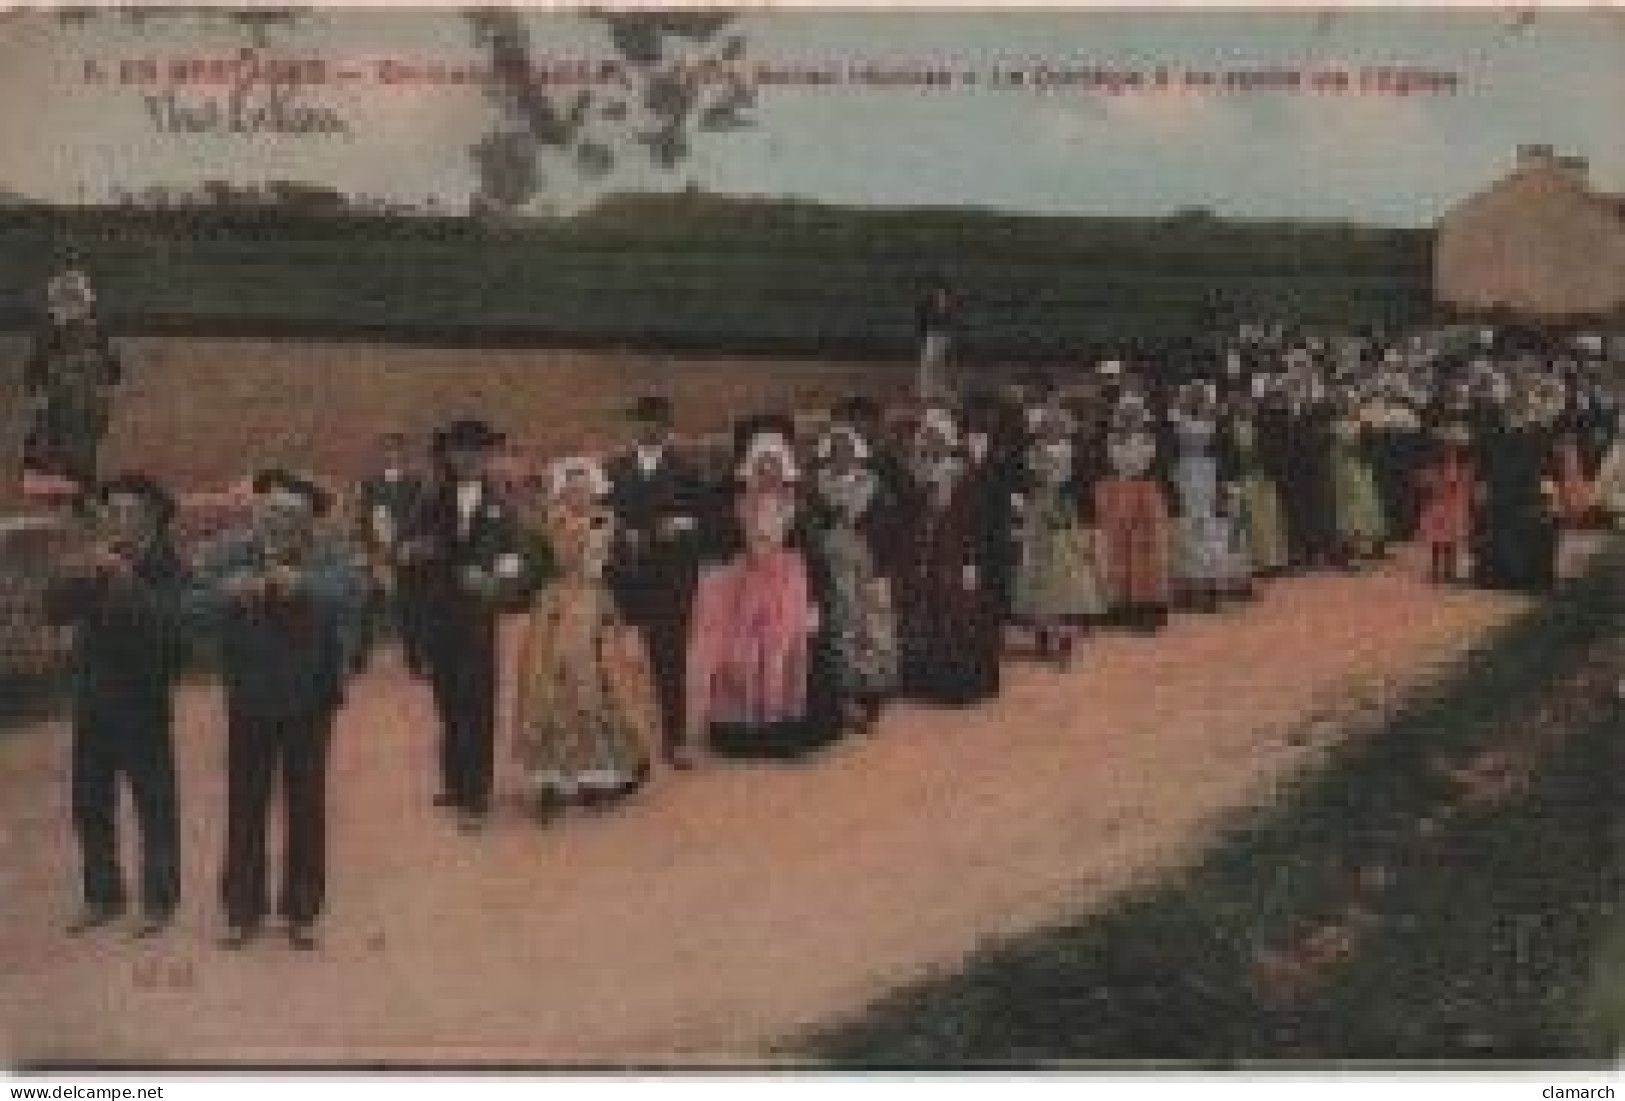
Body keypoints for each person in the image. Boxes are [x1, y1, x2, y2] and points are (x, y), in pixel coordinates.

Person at [194, 469, 366, 950]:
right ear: (257, 514)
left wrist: (304, 585)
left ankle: (301, 910)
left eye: (293, 517)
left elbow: (351, 591)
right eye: (270, 513)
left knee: (306, 804)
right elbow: (193, 603)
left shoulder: (327, 554)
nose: (280, 525)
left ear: (310, 521)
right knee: (245, 803)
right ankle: (242, 910)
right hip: (250, 696)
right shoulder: (231, 553)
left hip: (310, 700)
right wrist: (227, 593)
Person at [43, 474, 190, 938]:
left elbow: (172, 633)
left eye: (128, 512)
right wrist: (68, 573)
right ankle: (103, 896)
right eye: (114, 512)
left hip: (142, 700)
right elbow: (57, 611)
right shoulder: (100, 559)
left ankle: (159, 902)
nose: (119, 520)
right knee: (90, 801)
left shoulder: (169, 565)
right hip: (93, 698)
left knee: (154, 803)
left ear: (151, 516)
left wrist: (126, 581)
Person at [684, 420, 837, 760]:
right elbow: (717, 544)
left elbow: (814, 554)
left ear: (784, 469)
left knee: (784, 658)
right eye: (762, 467)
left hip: (789, 589)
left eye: (775, 467)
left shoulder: (798, 506)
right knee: (745, 658)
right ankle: (744, 736)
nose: (768, 474)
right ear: (752, 469)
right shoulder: (737, 506)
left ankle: (784, 735)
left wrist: (815, 601)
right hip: (746, 590)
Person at [403, 418, 529, 831]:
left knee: (476, 702)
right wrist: (415, 551)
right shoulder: (431, 499)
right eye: (460, 452)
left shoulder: (503, 504)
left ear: (487, 457)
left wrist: (494, 582)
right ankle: (455, 782)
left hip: (478, 617)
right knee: (448, 701)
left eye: (476, 452)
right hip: (439, 615)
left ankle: (477, 796)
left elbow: (516, 557)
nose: (468, 460)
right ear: (449, 456)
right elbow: (409, 545)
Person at [514, 457, 655, 821]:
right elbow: (534, 566)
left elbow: (626, 567)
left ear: (595, 489)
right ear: (563, 491)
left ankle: (599, 774)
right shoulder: (550, 522)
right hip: (554, 610)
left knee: (600, 687)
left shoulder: (608, 523)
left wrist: (622, 604)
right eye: (572, 487)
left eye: (585, 486)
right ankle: (554, 781)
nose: (579, 492)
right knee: (548, 688)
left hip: (595, 606)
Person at [605, 395, 703, 769]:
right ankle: (626, 741)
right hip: (627, 579)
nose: (650, 429)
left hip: (671, 580)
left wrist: (678, 527)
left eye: (658, 422)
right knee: (623, 662)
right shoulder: (614, 471)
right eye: (643, 422)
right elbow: (598, 519)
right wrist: (621, 537)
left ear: (667, 428)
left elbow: (703, 521)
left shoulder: (685, 470)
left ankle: (675, 739)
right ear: (633, 428)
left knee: (670, 659)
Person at [892, 407, 1002, 705]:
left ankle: (955, 684)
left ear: (949, 440)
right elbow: (903, 515)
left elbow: (977, 521)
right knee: (915, 612)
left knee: (955, 614)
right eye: (927, 437)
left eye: (937, 438)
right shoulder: (910, 471)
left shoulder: (964, 473)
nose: (931, 443)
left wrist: (972, 561)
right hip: (915, 553)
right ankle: (917, 682)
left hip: (953, 553)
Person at [809, 423, 900, 734]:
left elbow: (888, 527)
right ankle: (843, 698)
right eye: (835, 451)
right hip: (830, 570)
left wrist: (869, 542)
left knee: (871, 631)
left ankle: (870, 696)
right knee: (837, 630)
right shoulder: (815, 485)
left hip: (866, 568)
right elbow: (808, 526)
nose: (841, 456)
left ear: (857, 453)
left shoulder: (874, 486)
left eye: (846, 450)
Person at [1011, 405, 1105, 669]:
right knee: (1036, 574)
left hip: (1065, 514)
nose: (1051, 428)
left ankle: (1065, 643)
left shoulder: (1074, 452)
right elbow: (1024, 483)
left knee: (1066, 577)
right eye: (1047, 425)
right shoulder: (1031, 452)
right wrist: (1025, 503)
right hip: (1037, 514)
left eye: (1056, 424)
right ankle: (1042, 635)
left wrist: (1077, 514)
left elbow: (1082, 486)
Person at [352, 431, 431, 677]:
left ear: (403, 454)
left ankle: (415, 660)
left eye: (396, 451)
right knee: (367, 602)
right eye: (387, 451)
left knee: (411, 606)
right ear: (381, 454)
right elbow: (364, 518)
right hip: (378, 554)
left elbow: (419, 517)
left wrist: (405, 545)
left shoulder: (416, 483)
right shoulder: (370, 484)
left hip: (406, 553)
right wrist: (373, 549)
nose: (392, 456)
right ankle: (358, 659)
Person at [1168, 382, 1248, 609]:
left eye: (1200, 396)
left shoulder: (1215, 421)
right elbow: (1172, 449)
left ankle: (1210, 585)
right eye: (1194, 396)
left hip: (1208, 474)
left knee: (1210, 529)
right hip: (1185, 474)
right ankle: (1188, 588)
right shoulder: (1177, 420)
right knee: (1188, 529)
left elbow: (1222, 449)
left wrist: (1224, 482)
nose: (1197, 400)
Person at [1094, 402, 1173, 631]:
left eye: (1134, 416)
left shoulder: (1148, 439)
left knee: (1146, 551)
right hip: (1116, 492)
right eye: (1126, 416)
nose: (1130, 420)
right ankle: (1120, 607)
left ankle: (1148, 608)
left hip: (1145, 492)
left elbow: (1151, 465)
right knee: (1117, 550)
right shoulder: (1111, 440)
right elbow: (1109, 465)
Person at [24, 316, 122, 494]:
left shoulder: (93, 356)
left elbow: (114, 373)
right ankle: (78, 485)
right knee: (73, 449)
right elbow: (34, 375)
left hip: (85, 409)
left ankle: (81, 486)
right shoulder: (54, 354)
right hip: (69, 408)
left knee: (81, 450)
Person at [1416, 423, 1475, 584]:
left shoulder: (1463, 464)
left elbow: (1464, 482)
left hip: (1453, 502)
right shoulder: (1436, 464)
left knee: (1451, 540)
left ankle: (1449, 571)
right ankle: (1436, 570)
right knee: (1437, 539)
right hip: (1439, 502)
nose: (1450, 448)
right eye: (1448, 445)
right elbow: (1426, 481)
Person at [915, 281, 958, 404]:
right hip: (932, 336)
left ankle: (937, 391)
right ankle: (926, 391)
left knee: (938, 365)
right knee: (929, 363)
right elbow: (924, 322)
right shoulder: (931, 309)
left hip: (941, 337)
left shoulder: (948, 311)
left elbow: (951, 326)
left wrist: (948, 339)